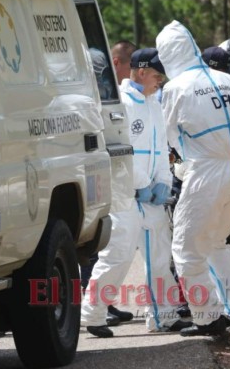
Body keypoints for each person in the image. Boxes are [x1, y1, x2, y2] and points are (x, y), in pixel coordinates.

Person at [80, 48, 192, 338]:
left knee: (158, 256)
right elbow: (120, 150)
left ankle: (163, 316)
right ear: (141, 72)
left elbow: (162, 148)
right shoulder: (119, 103)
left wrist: (163, 183)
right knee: (118, 255)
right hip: (124, 194)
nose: (159, 82)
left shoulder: (155, 103)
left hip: (152, 196)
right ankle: (92, 315)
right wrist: (140, 183)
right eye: (156, 76)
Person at [156, 20, 230, 336]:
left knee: (185, 249)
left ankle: (208, 318)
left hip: (207, 173)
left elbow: (166, 137)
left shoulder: (175, 88)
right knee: (215, 242)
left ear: (167, 55)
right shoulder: (228, 80)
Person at [81, 41, 138, 326]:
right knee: (95, 241)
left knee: (99, 242)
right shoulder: (97, 80)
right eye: (130, 67)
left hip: (99, 168)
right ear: (117, 63)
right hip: (90, 168)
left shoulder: (106, 89)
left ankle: (100, 304)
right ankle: (89, 306)